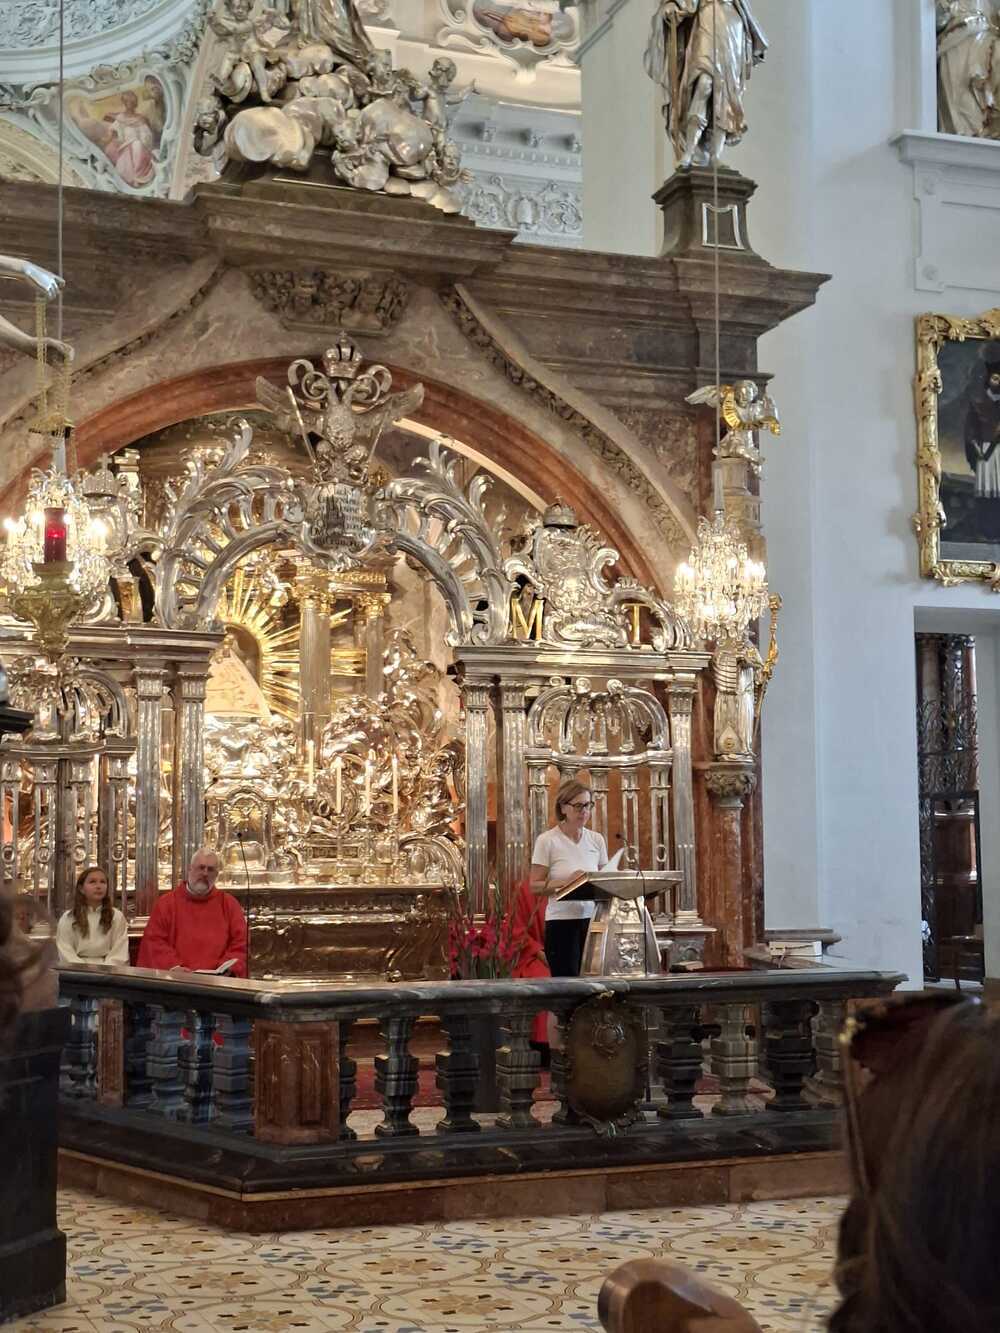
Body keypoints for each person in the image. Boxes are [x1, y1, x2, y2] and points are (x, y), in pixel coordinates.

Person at [530, 778, 607, 978]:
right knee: (567, 985)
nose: (584, 811)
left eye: (588, 805)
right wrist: (568, 882)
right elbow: (535, 886)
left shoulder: (597, 840)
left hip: (593, 922)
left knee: (595, 984)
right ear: (563, 807)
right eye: (578, 806)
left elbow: (604, 882)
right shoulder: (547, 841)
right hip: (561, 922)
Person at [137, 848, 248, 977]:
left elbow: (241, 943)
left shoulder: (229, 904)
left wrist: (226, 969)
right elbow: (154, 942)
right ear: (190, 869)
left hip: (218, 983)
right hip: (177, 981)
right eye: (201, 867)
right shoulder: (166, 904)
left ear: (217, 875)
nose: (205, 873)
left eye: (210, 869)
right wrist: (173, 967)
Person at [55, 866, 129, 966]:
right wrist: (84, 970)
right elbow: (65, 951)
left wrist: (104, 970)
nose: (98, 886)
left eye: (103, 882)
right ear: (81, 889)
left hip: (109, 971)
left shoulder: (116, 916)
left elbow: (119, 952)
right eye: (92, 882)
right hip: (76, 970)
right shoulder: (68, 917)